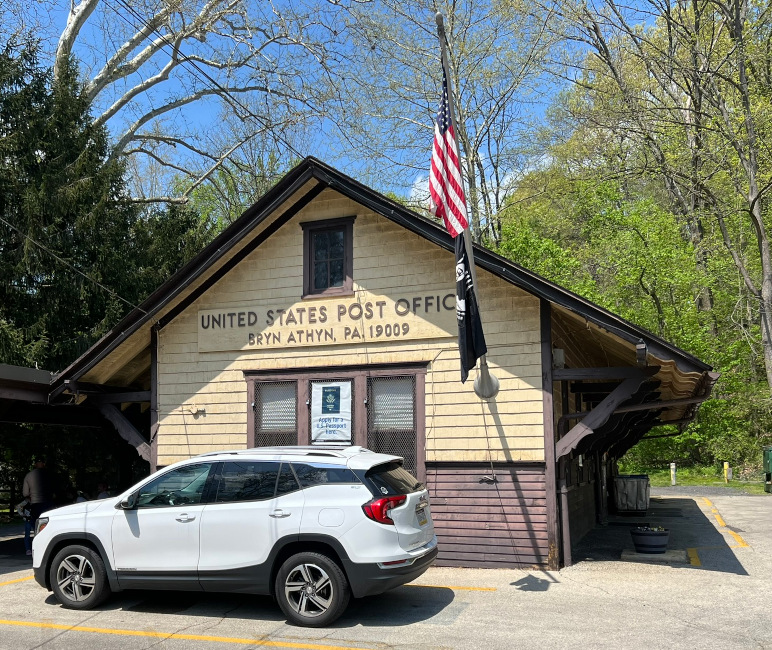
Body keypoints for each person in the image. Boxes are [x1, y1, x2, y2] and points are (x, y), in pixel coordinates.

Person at [22, 456, 55, 556]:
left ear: (35, 464)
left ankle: (37, 550)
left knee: (37, 528)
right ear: (44, 464)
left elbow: (25, 493)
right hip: (49, 504)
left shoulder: (29, 476)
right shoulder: (50, 475)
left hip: (36, 504)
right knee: (50, 526)